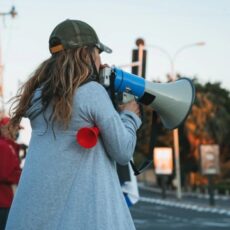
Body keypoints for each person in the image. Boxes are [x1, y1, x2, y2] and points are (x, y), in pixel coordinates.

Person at [6, 19, 141, 230]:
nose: (100, 61)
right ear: (87, 54)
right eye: (98, 53)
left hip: (33, 215)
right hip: (84, 217)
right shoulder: (91, 93)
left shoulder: (38, 95)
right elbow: (123, 151)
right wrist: (130, 116)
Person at [0, 117, 22, 230]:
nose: (17, 132)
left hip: (6, 199)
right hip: (3, 201)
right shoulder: (3, 146)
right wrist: (24, 176)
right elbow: (4, 173)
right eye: (15, 128)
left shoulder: (9, 146)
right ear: (5, 129)